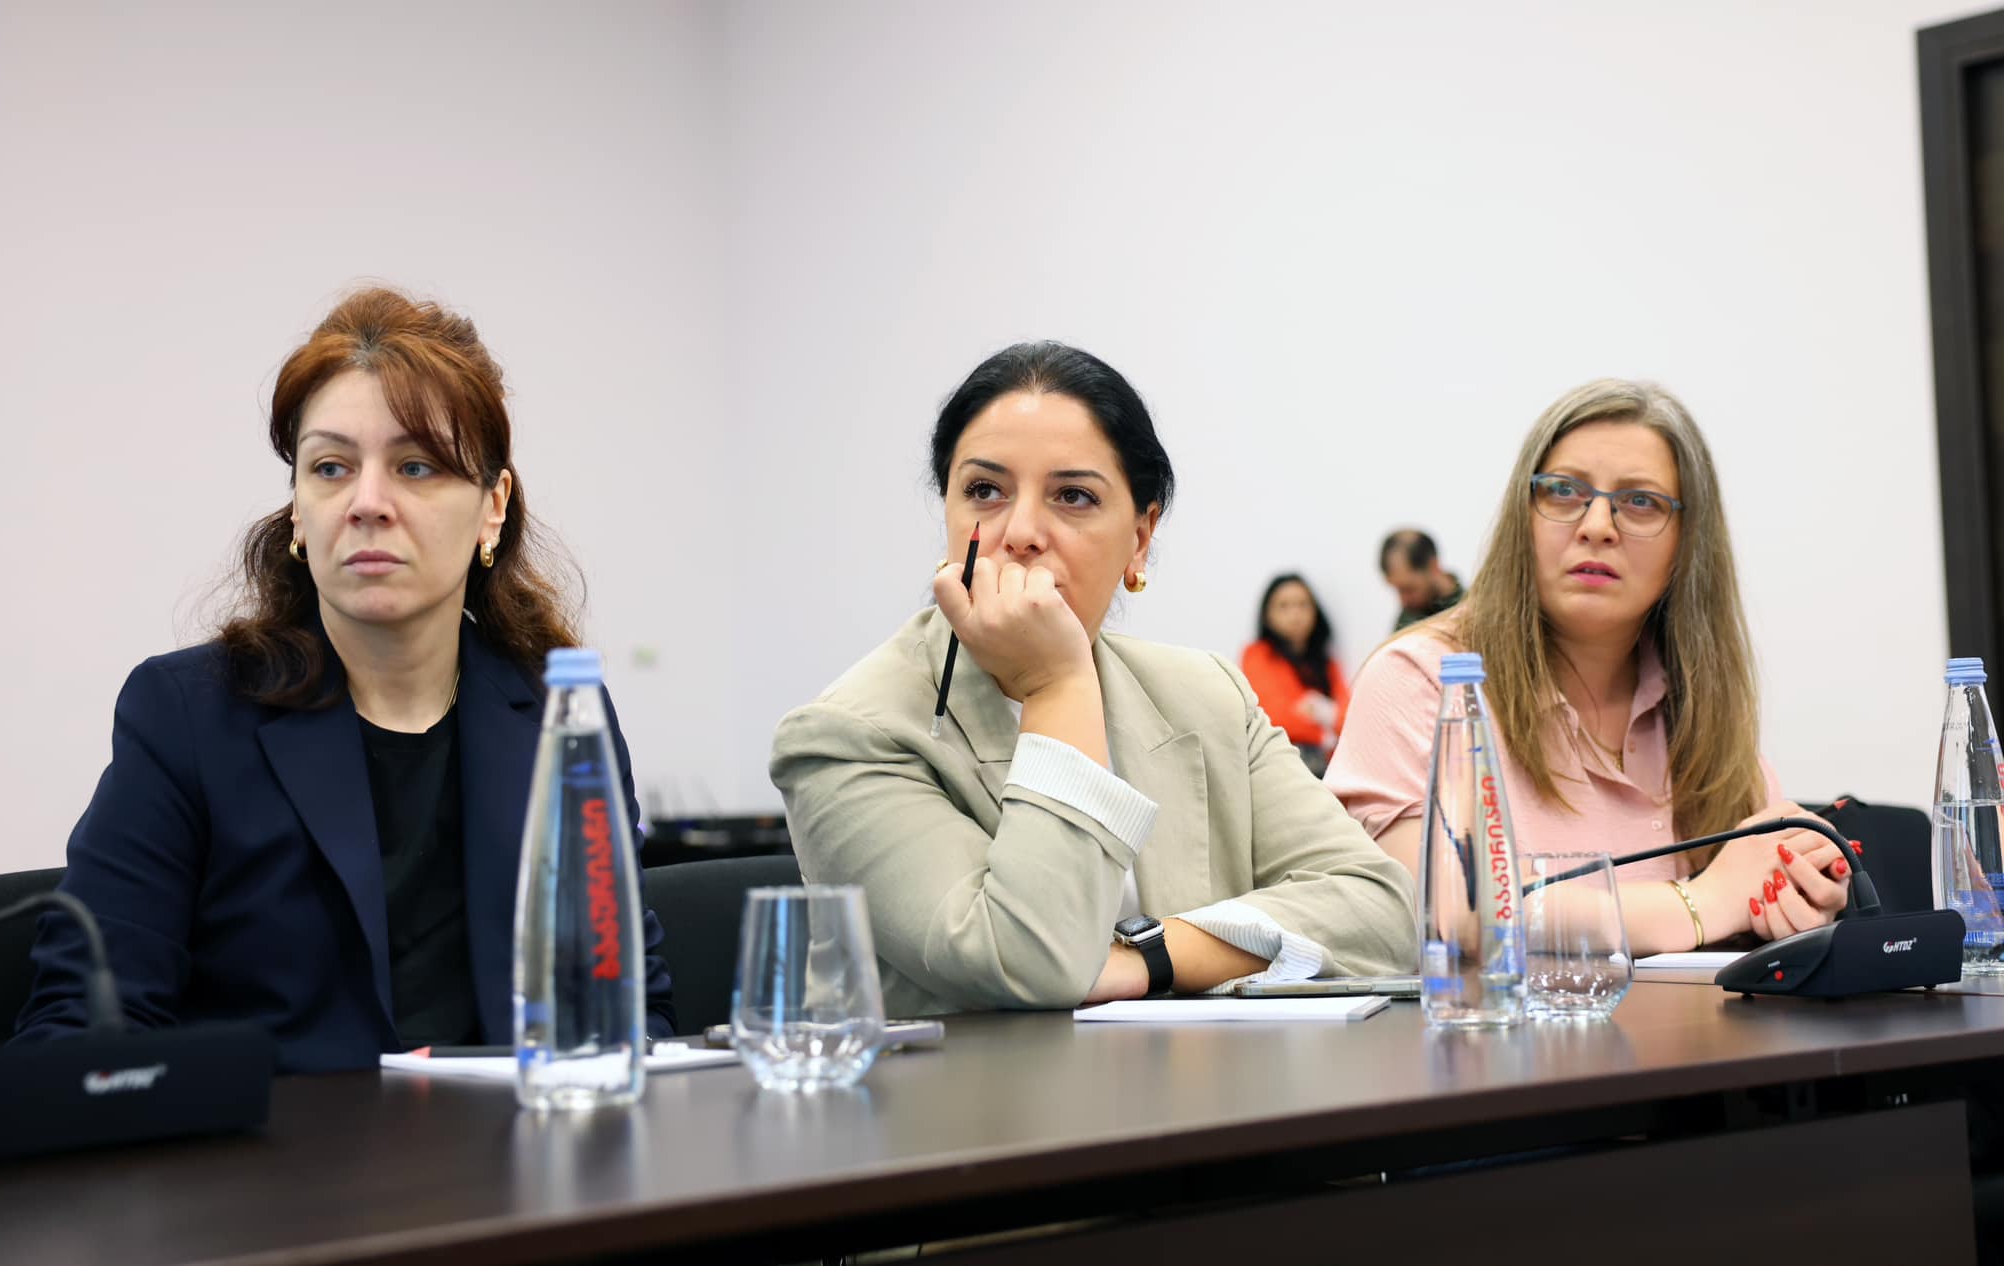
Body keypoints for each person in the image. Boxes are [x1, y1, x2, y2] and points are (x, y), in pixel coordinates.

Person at [17, 288, 675, 1071]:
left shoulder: (554, 717)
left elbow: (631, 1009)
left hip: (520, 1144)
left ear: (493, 507)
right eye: (330, 468)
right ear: (298, 510)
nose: (367, 503)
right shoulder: (188, 716)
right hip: (275, 1147)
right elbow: (85, 1029)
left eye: (416, 466)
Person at [771, 342, 1416, 1017]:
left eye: (1073, 496)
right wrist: (1056, 684)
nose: (1020, 531)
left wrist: (1145, 959)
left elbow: (1381, 911)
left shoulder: (1207, 696)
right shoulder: (845, 734)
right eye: (984, 491)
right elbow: (1034, 962)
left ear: (1140, 538)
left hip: (1200, 1081)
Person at [1326, 380, 1849, 956]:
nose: (1597, 524)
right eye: (1563, 491)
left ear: (1688, 542)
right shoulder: (1422, 679)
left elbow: (1755, 881)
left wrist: (1792, 899)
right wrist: (1702, 903)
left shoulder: (1701, 700)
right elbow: (1446, 910)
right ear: (1523, 517)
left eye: (1641, 501)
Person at [1241, 573, 1351, 774]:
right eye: (1283, 606)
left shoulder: (1327, 663)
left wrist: (1321, 713)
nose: (1295, 614)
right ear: (1267, 615)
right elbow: (1273, 717)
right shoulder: (1257, 654)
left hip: (1330, 768)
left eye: (1303, 605)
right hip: (1284, 765)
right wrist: (1324, 732)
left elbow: (1350, 718)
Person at [1380, 529, 1465, 631]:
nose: (1403, 601)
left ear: (1433, 566)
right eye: (1397, 590)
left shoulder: (1473, 613)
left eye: (1409, 589)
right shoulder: (1408, 616)